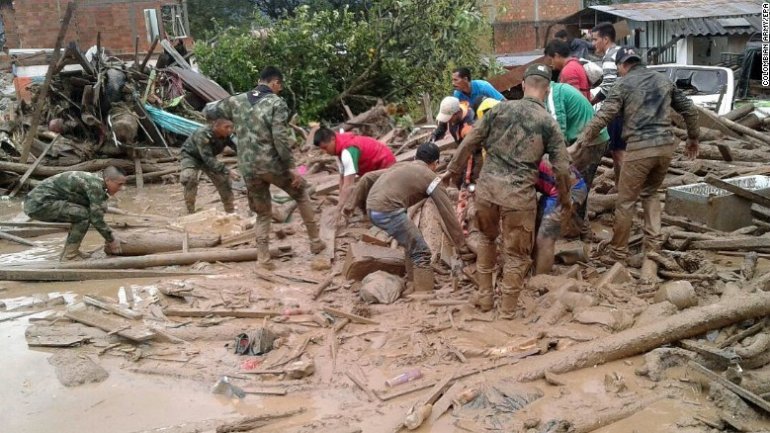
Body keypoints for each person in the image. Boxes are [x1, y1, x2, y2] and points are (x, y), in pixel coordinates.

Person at [444, 64, 572, 316]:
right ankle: (508, 311)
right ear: (546, 91)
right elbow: (562, 168)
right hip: (518, 198)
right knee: (516, 255)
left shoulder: (498, 110)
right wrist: (565, 199)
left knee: (486, 240)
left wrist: (453, 170)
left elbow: (470, 141)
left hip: (487, 192)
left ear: (523, 85)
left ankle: (485, 297)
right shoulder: (548, 123)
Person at [574, 47, 699, 267]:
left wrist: (580, 141)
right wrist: (692, 138)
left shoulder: (623, 84)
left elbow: (604, 115)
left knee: (626, 201)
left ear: (623, 65)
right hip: (665, 148)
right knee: (650, 194)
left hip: (641, 148)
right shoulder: (664, 81)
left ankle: (618, 253)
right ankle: (652, 247)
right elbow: (689, 109)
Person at [205, 66, 325, 270]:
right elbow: (280, 138)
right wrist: (292, 167)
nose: (280, 90)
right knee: (301, 192)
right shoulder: (276, 103)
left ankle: (264, 258)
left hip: (248, 167)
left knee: (262, 213)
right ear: (275, 83)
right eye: (280, 86)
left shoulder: (237, 100)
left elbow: (208, 110)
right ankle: (315, 243)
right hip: (272, 164)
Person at [343, 142, 469, 291]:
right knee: (421, 251)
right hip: (388, 212)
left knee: (411, 242)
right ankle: (424, 293)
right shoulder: (432, 178)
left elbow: (367, 177)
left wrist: (349, 206)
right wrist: (462, 247)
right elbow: (448, 214)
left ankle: (412, 281)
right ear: (435, 163)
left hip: (373, 210)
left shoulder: (400, 166)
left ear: (416, 157)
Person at [546, 81, 610, 239]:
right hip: (593, 139)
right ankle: (582, 229)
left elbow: (558, 131)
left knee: (576, 187)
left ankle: (576, 232)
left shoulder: (553, 94)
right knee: (581, 186)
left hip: (588, 142)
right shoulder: (560, 89)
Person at [24, 167, 126, 260]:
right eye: (119, 184)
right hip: (38, 205)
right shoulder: (95, 185)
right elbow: (96, 218)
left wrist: (109, 231)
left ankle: (71, 251)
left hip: (40, 202)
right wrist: (111, 239)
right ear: (108, 180)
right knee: (83, 216)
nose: (122, 188)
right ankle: (70, 255)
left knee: (85, 213)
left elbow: (97, 208)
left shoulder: (96, 180)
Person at [313, 127, 396, 222]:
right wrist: (340, 202)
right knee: (362, 189)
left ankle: (386, 217)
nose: (325, 152)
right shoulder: (339, 151)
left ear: (332, 139)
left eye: (325, 147)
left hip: (385, 163)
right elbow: (342, 179)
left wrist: (339, 209)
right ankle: (367, 216)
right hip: (370, 168)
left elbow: (348, 185)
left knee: (368, 192)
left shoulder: (348, 151)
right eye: (322, 149)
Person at [534, 159, 587, 274]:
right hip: (553, 187)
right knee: (536, 227)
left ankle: (540, 280)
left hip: (568, 190)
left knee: (545, 238)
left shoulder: (518, 164)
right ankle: (537, 265)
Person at [179, 118, 237, 214]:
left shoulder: (228, 135)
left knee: (224, 181)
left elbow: (239, 149)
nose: (229, 130)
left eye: (231, 127)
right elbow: (208, 159)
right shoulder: (203, 134)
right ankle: (190, 210)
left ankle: (230, 211)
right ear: (216, 126)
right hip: (191, 156)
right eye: (226, 127)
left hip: (208, 157)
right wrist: (227, 170)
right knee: (189, 177)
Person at [591, 22, 625, 182]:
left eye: (595, 39)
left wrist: (591, 101)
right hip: (632, 107)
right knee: (620, 151)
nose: (593, 44)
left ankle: (626, 189)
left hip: (618, 110)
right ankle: (622, 188)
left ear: (605, 39)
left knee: (618, 152)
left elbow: (609, 85)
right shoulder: (621, 52)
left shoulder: (610, 56)